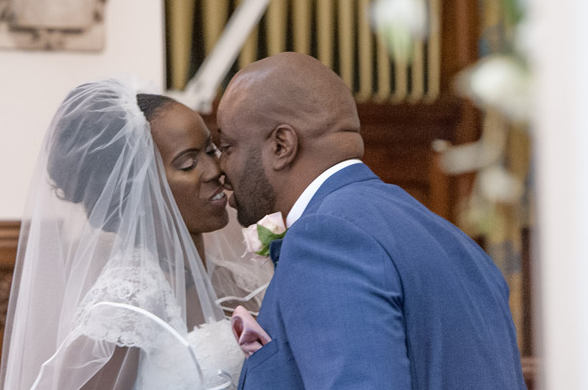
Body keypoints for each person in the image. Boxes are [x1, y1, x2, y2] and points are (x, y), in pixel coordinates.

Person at [216, 52, 526, 389]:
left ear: (281, 145)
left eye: (227, 146)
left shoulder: (324, 238)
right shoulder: (450, 237)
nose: (220, 167)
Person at [0, 78, 272, 390]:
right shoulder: (127, 306)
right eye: (187, 163)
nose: (214, 171)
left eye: (211, 150)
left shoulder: (237, 280)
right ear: (138, 190)